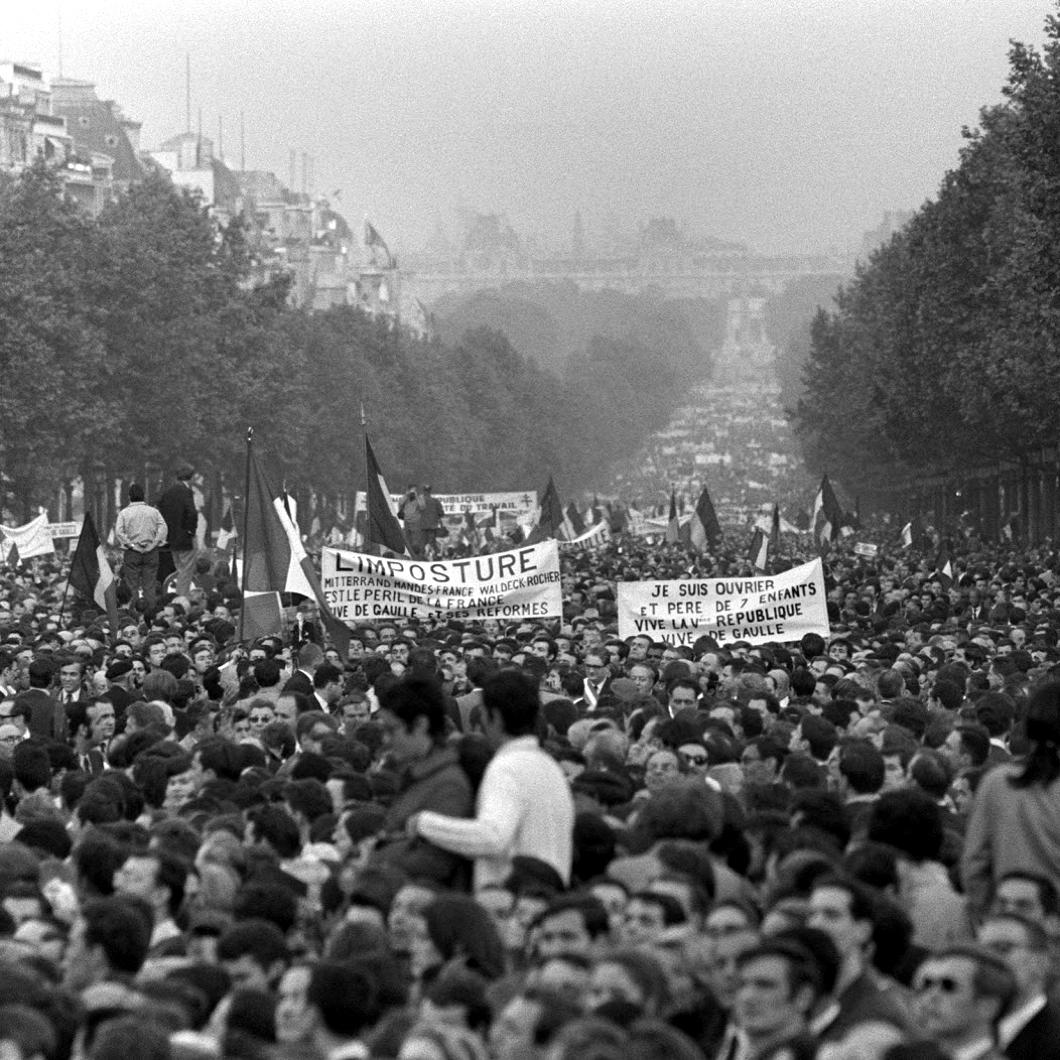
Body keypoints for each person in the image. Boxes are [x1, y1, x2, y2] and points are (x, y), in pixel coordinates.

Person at [411, 669, 575, 890]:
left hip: (511, 898)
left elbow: (492, 837)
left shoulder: (507, 767)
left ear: (494, 717)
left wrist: (423, 823)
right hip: (548, 894)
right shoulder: (550, 766)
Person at [962, 681, 1060, 917]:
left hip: (1009, 918)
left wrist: (994, 916)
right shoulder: (998, 782)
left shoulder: (997, 782)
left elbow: (974, 865)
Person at [113, 483, 168, 618]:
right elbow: (163, 528)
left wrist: (131, 545)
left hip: (132, 553)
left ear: (129, 497)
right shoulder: (154, 512)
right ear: (144, 496)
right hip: (151, 552)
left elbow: (119, 532)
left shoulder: (124, 513)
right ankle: (150, 615)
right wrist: (153, 544)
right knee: (150, 585)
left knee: (132, 585)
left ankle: (133, 615)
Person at [155, 462, 199, 599]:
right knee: (187, 570)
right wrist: (191, 531)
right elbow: (192, 513)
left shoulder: (168, 493)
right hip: (185, 538)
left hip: (171, 538)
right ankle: (182, 598)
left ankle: (179, 597)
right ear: (191, 477)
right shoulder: (186, 492)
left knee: (180, 569)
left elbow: (159, 509)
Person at [419, 485, 446, 558]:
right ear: (430, 491)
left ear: (423, 491)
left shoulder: (419, 502)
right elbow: (441, 513)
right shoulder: (435, 501)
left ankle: (422, 558)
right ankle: (434, 557)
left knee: (422, 544)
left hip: (422, 526)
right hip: (432, 527)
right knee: (432, 543)